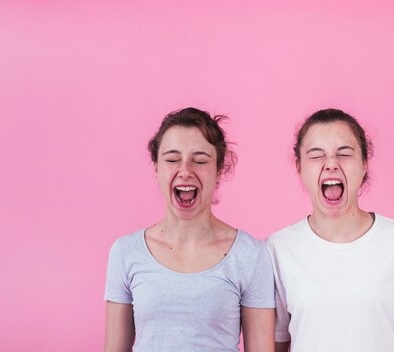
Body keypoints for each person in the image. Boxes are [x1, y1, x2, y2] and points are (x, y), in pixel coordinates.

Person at [267, 108, 394, 352]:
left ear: (364, 165)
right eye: (316, 155)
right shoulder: (277, 248)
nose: (331, 164)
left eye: (344, 154)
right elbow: (275, 345)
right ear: (299, 167)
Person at [104, 107, 275, 352]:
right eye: (172, 159)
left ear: (219, 171)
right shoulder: (125, 252)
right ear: (156, 168)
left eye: (200, 160)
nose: (185, 170)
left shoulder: (251, 254)